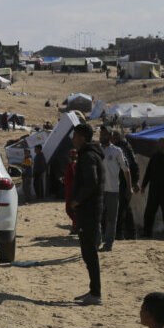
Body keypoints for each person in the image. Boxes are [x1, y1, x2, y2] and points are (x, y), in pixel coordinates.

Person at [70, 123, 105, 305]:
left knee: (90, 252)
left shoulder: (88, 156)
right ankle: (93, 291)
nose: (72, 139)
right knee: (87, 252)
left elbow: (91, 182)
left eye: (75, 135)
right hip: (89, 210)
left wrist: (78, 200)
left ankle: (96, 294)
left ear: (82, 137)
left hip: (89, 211)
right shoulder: (89, 154)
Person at [100, 126, 135, 253]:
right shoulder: (97, 150)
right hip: (99, 190)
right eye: (101, 134)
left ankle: (108, 244)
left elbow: (126, 170)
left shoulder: (116, 151)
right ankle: (98, 240)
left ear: (110, 136)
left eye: (104, 134)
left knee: (111, 218)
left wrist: (129, 187)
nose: (101, 136)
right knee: (98, 217)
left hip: (113, 190)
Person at [113, 132, 140, 240]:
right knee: (124, 208)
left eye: (115, 137)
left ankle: (121, 233)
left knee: (122, 208)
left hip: (124, 182)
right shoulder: (117, 147)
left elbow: (132, 165)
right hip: (119, 181)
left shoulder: (124, 148)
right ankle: (129, 233)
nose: (113, 138)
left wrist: (134, 182)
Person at [62, 149, 78, 234]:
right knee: (73, 210)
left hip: (71, 191)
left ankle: (77, 225)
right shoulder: (72, 165)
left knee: (69, 210)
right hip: (70, 190)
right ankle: (74, 227)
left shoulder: (73, 166)